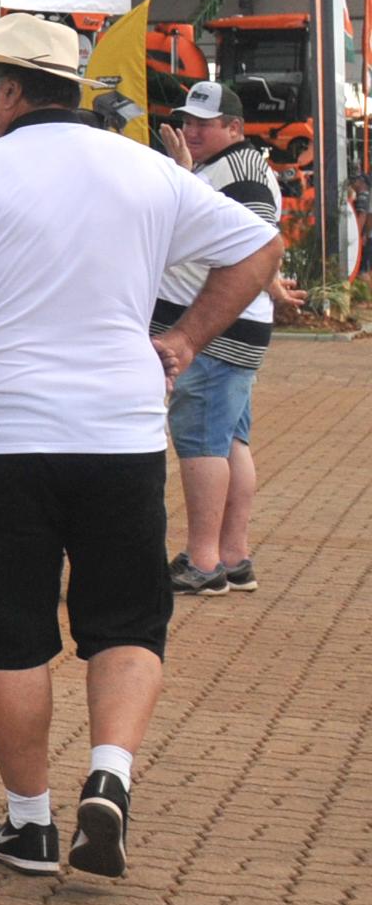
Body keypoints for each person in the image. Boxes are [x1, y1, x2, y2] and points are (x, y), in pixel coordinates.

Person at [0, 12, 280, 881]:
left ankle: (30, 824)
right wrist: (187, 338)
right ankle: (111, 775)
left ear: (9, 92)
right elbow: (259, 246)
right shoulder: (143, 167)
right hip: (120, 431)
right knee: (127, 620)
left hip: (5, 435)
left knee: (11, 634)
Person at [154, 80, 280, 595]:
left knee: (203, 441)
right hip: (226, 327)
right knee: (228, 440)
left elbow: (253, 242)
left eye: (204, 123)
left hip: (213, 330)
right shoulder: (229, 166)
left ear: (234, 127)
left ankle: (204, 561)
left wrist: (184, 177)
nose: (191, 130)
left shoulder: (241, 169)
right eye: (187, 120)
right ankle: (232, 555)